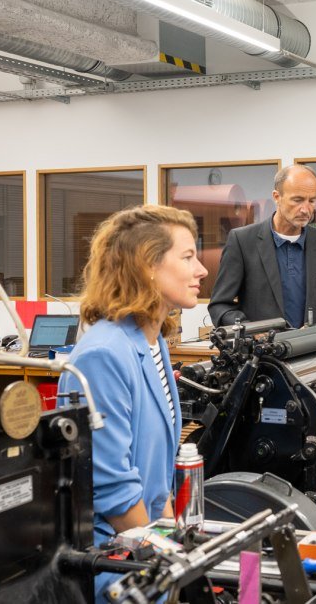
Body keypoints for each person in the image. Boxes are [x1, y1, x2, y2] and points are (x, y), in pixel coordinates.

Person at [57, 205, 206, 600]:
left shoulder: (150, 341)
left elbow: (154, 476)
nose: (201, 270)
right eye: (188, 257)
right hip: (116, 561)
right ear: (147, 267)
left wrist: (175, 539)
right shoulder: (104, 353)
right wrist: (165, 563)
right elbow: (113, 491)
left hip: (145, 545)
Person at [208, 165, 316, 329]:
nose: (305, 209)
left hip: (315, 351)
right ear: (277, 196)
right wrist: (252, 330)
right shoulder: (242, 241)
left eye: (312, 201)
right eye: (297, 200)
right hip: (263, 352)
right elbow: (219, 306)